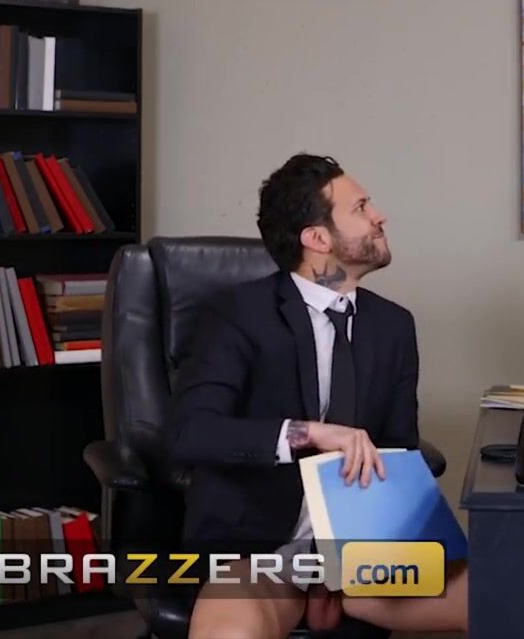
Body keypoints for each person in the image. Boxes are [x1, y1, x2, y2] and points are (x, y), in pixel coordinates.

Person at [169, 153, 467, 639]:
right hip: (262, 553)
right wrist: (308, 434)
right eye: (361, 208)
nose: (380, 216)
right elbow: (191, 432)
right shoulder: (238, 314)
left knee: (519, 594)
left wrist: (348, 571)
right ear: (317, 239)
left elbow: (398, 448)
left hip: (366, 555)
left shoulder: (393, 326)